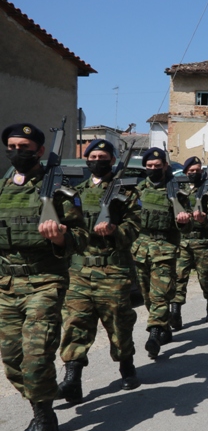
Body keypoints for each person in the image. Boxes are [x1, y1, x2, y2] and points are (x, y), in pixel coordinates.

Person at [1, 122, 88, 431]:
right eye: (12, 146)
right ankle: (39, 414)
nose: (17, 152)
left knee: (36, 356)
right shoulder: (2, 189)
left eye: (25, 147)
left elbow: (82, 239)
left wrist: (61, 237)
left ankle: (45, 419)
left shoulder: (60, 190)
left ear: (40, 150)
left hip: (44, 282)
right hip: (6, 284)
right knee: (13, 360)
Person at [58, 139, 141, 403]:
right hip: (79, 270)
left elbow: (135, 228)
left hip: (112, 269)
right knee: (74, 323)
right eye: (92, 156)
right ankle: (72, 378)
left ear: (112, 160)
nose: (96, 160)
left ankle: (126, 366)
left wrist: (116, 230)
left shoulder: (125, 193)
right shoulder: (75, 193)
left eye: (102, 156)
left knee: (118, 322)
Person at [132, 148, 191, 360]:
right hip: (141, 249)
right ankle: (163, 326)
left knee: (159, 294)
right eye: (149, 167)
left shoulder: (177, 192)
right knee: (147, 295)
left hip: (165, 248)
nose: (153, 170)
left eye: (158, 166)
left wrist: (184, 219)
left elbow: (187, 225)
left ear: (165, 166)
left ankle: (154, 334)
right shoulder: (137, 190)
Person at [169, 156, 208, 329]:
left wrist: (205, 219)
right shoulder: (177, 190)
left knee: (206, 277)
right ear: (185, 172)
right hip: (183, 241)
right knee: (179, 278)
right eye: (191, 171)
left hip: (203, 241)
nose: (194, 173)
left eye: (197, 171)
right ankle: (175, 313)